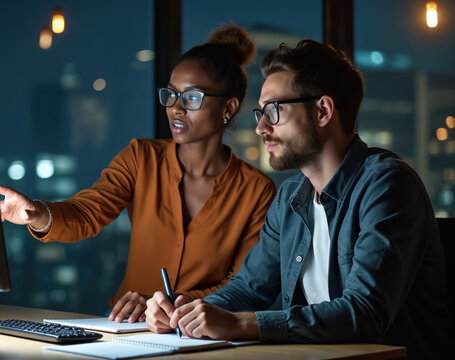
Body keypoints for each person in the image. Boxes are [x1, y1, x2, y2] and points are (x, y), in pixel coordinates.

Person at [144, 39, 449, 359]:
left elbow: (364, 312)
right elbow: (249, 288)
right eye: (260, 112)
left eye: (274, 111)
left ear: (323, 111)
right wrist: (185, 312)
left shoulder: (387, 184)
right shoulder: (291, 196)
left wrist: (240, 324)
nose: (261, 127)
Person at [0, 24, 276, 323]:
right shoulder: (141, 158)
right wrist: (36, 213)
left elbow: (243, 285)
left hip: (202, 337)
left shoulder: (256, 191)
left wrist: (166, 305)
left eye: (192, 98)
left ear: (229, 107)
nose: (176, 109)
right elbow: (88, 212)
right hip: (128, 330)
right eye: (170, 95)